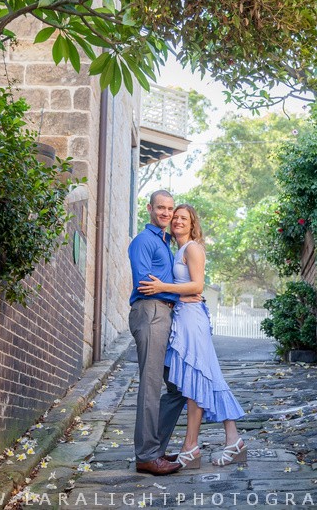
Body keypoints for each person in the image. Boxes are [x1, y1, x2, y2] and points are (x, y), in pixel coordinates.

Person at [138, 204, 246, 469]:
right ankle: (220, 442)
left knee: (201, 375)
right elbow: (188, 288)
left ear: (192, 223)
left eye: (183, 218)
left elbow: (197, 285)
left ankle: (200, 445)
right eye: (175, 217)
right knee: (198, 378)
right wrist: (178, 294)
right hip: (184, 316)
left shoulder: (193, 248)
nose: (177, 221)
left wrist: (163, 287)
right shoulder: (178, 251)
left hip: (193, 318)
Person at [127, 190, 200, 476]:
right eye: (161, 208)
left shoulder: (164, 242)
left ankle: (154, 448)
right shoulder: (143, 241)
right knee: (151, 383)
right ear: (150, 208)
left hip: (165, 313)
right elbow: (146, 282)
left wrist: (185, 295)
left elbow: (167, 281)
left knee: (178, 387)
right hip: (150, 312)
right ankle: (146, 455)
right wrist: (173, 292)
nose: (166, 213)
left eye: (170, 209)